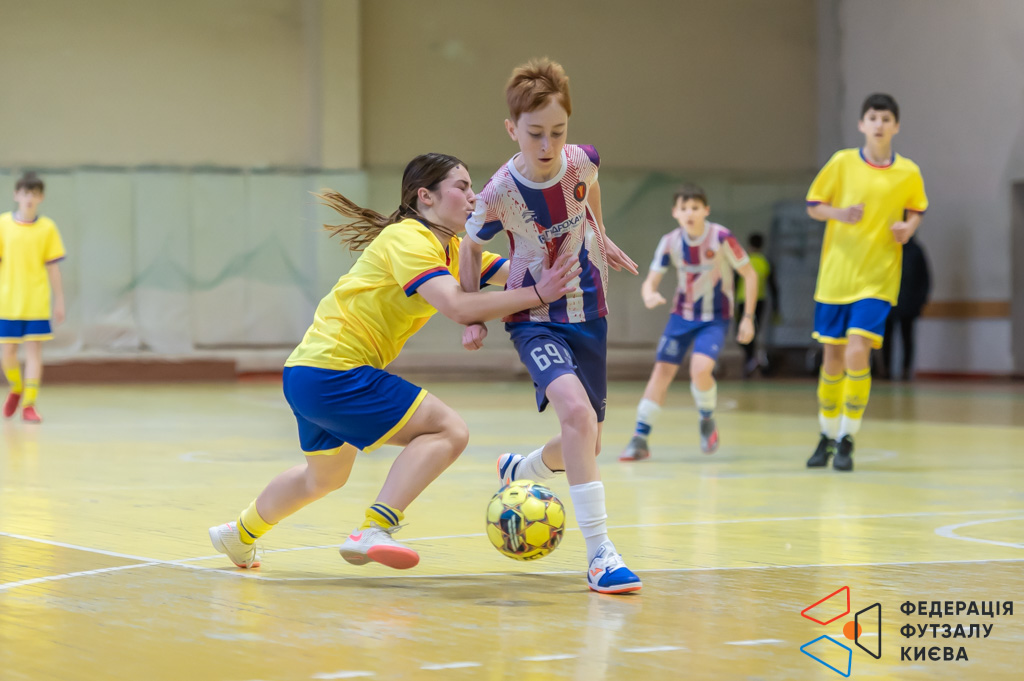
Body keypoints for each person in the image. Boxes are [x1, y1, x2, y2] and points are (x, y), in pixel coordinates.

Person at [209, 153, 578, 570]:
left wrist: (577, 253)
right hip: (336, 370)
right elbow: (458, 305)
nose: (473, 197)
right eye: (462, 187)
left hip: (307, 373)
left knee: (324, 478)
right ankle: (373, 528)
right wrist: (540, 294)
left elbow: (517, 275)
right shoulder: (409, 239)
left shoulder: (452, 248)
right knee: (449, 430)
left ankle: (238, 534)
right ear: (426, 197)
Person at [458, 58, 643, 594]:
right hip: (534, 317)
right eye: (535, 133)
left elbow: (591, 190)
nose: (548, 144)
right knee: (577, 416)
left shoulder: (582, 161)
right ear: (512, 129)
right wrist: (473, 312)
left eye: (558, 132)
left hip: (591, 312)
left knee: (588, 439)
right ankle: (601, 554)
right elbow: (470, 247)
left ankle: (524, 469)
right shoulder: (498, 192)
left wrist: (601, 235)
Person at [804, 93, 928, 472]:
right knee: (832, 359)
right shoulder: (842, 163)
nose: (879, 124)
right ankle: (826, 433)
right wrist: (840, 213)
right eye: (873, 117)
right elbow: (814, 206)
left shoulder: (908, 171)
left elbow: (917, 209)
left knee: (858, 351)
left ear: (896, 126)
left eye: (886, 119)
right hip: (836, 277)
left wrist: (909, 227)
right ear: (861, 124)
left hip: (878, 277)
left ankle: (847, 436)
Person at [620, 184, 757, 461]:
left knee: (700, 370)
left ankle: (706, 418)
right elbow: (651, 280)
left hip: (714, 318)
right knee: (661, 372)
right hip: (681, 316)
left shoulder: (722, 237)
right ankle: (640, 438)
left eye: (695, 207)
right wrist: (649, 294)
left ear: (706, 210)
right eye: (684, 208)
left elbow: (750, 274)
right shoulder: (670, 241)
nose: (689, 213)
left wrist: (748, 318)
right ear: (675, 212)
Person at [1, 172, 67, 424]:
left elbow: (53, 267)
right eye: (25, 193)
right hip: (8, 301)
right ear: (16, 195)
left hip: (36, 301)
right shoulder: (3, 224)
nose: (29, 198)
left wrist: (59, 300)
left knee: (33, 353)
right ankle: (16, 388)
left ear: (41, 198)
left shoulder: (47, 228)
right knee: (7, 353)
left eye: (35, 194)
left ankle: (29, 404)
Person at [881, 235, 931, 380]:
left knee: (907, 337)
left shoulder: (915, 250)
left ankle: (906, 370)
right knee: (886, 338)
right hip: (888, 303)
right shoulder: (886, 248)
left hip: (909, 303)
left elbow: (924, 279)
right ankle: (885, 370)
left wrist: (920, 301)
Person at [735, 233, 779, 377]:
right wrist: (776, 306)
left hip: (744, 302)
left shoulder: (744, 261)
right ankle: (751, 358)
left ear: (749, 245)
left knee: (746, 333)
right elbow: (773, 286)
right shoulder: (765, 262)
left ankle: (751, 359)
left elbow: (734, 283)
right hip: (759, 302)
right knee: (748, 333)